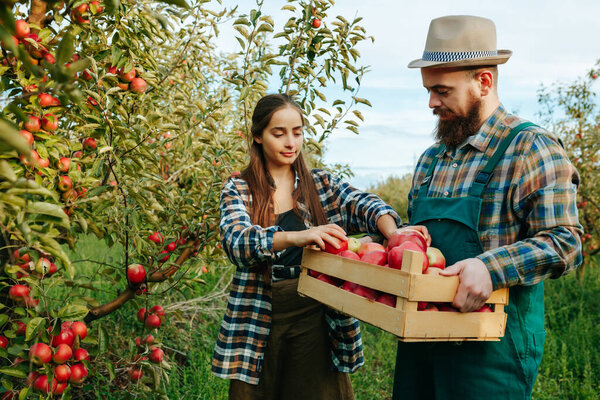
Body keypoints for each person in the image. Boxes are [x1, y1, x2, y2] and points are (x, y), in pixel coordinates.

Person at [392, 15, 583, 400]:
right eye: (428, 90)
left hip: (490, 350)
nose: (431, 102)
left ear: (483, 81)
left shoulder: (530, 148)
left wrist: (490, 268)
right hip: (421, 343)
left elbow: (566, 242)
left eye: (442, 91)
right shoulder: (431, 160)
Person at [213, 93, 427, 400]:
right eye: (279, 133)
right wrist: (297, 236)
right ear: (258, 136)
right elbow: (236, 242)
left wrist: (395, 235)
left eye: (297, 133)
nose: (290, 142)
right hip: (259, 312)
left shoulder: (322, 185)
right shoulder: (240, 188)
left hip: (316, 313)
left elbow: (366, 205)